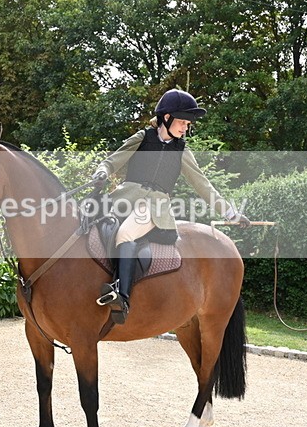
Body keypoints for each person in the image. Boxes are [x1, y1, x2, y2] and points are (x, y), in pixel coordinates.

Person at [91, 88, 250, 324]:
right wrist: (102, 172)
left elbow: (203, 185)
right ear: (166, 117)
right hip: (123, 200)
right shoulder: (142, 138)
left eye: (188, 123)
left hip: (154, 208)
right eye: (183, 122)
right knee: (92, 225)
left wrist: (230, 213)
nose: (186, 127)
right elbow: (113, 160)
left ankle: (122, 297)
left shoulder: (181, 151)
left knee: (125, 235)